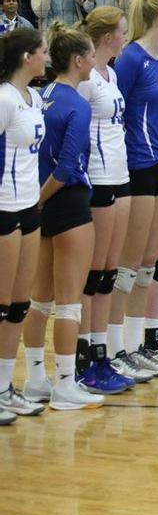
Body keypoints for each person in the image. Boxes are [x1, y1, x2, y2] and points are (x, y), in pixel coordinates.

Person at [21, 24, 103, 409]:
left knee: (39, 300)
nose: (94, 62)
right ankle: (66, 385)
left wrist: (34, 202)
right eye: (90, 56)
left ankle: (36, 379)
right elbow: (69, 166)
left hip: (39, 208)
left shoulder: (40, 96)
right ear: (78, 60)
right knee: (69, 302)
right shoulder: (78, 104)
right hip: (66, 202)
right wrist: (40, 199)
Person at [113, 0, 158, 377]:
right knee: (127, 264)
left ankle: (138, 346)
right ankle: (116, 348)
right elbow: (114, 115)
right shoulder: (131, 59)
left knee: (148, 264)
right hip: (137, 167)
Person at [76, 8, 142, 388]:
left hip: (120, 175)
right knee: (92, 274)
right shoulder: (86, 81)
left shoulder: (111, 73)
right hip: (98, 180)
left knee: (108, 274)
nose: (125, 37)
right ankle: (84, 358)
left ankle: (101, 354)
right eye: (121, 32)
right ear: (106, 37)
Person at [0, 28, 47, 422]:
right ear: (26, 57)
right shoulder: (4, 98)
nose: (47, 57)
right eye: (43, 51)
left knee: (18, 305)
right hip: (3, 209)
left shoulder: (34, 98)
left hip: (29, 207)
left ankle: (4, 387)